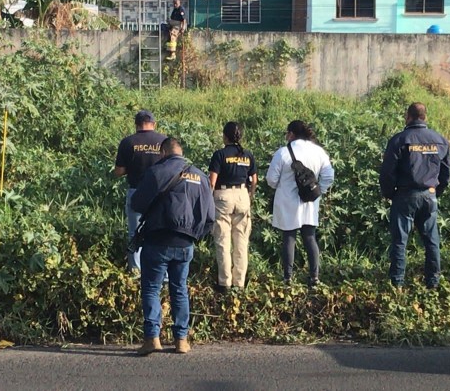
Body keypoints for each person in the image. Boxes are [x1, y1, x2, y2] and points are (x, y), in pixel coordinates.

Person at [131, 137, 214, 355]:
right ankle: (181, 340)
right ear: (181, 152)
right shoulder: (200, 176)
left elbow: (137, 203)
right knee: (179, 289)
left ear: (163, 153)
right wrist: (193, 236)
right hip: (185, 242)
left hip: (157, 239)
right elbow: (209, 218)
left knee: (151, 287)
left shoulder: (156, 172)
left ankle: (152, 338)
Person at [379, 103, 450, 290]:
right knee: (432, 241)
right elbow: (446, 174)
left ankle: (397, 284)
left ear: (408, 116)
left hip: (404, 196)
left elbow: (387, 172)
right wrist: (436, 191)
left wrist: (389, 194)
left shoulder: (400, 140)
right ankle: (433, 284)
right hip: (429, 195)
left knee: (400, 241)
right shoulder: (440, 140)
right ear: (425, 117)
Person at [266, 120, 334, 287]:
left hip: (288, 202)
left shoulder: (283, 153)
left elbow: (271, 179)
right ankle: (314, 277)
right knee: (310, 237)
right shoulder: (319, 152)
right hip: (310, 202)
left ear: (291, 134)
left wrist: (281, 187)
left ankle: (288, 278)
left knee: (289, 238)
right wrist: (318, 191)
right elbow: (328, 176)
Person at [114, 110, 167, 273]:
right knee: (160, 232)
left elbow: (119, 171)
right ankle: (160, 273)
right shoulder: (164, 141)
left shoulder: (127, 142)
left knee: (135, 233)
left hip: (137, 192)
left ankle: (136, 272)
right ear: (154, 124)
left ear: (136, 125)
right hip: (160, 194)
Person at [208, 122, 258, 293]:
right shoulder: (248, 155)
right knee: (241, 241)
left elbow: (212, 181)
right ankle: (240, 283)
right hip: (242, 195)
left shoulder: (219, 155)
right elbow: (254, 180)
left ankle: (224, 283)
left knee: (223, 240)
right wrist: (249, 195)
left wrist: (209, 199)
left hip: (223, 196)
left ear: (225, 136)